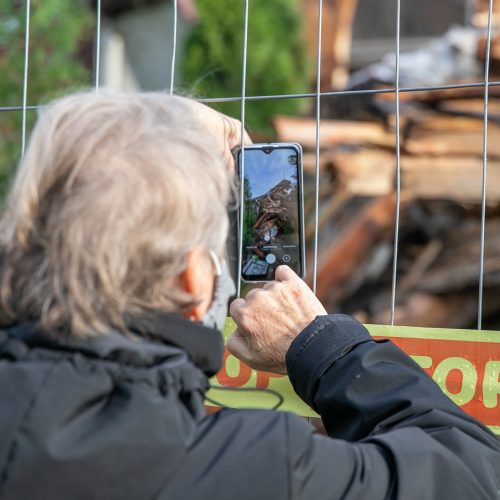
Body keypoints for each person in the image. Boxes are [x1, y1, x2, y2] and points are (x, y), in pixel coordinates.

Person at [0, 90, 497, 500]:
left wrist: (140, 132)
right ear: (192, 281)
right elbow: (474, 475)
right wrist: (324, 349)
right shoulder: (250, 469)